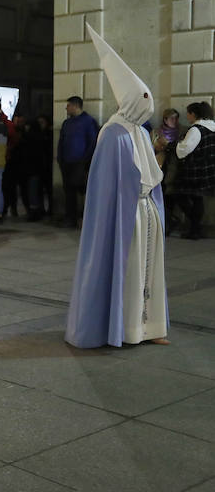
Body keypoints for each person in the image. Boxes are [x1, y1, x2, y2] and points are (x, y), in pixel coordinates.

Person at [66, 25, 168, 348]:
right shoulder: (113, 133)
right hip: (127, 218)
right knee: (130, 273)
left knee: (147, 275)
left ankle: (147, 328)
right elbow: (104, 189)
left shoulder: (137, 130)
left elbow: (150, 173)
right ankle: (124, 329)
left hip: (144, 213)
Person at [172, 102, 215, 240]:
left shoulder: (196, 129)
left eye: (188, 113)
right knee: (198, 199)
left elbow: (184, 150)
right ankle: (196, 229)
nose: (187, 116)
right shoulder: (212, 127)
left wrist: (174, 145)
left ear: (194, 114)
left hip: (195, 170)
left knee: (180, 195)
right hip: (208, 169)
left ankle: (195, 228)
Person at [58, 95, 99, 227]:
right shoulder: (67, 123)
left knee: (82, 190)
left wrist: (85, 160)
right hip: (66, 162)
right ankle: (70, 217)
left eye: (68, 105)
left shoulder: (88, 122)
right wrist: (60, 158)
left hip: (80, 162)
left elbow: (92, 142)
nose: (66, 108)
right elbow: (61, 141)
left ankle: (84, 218)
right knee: (68, 190)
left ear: (76, 106)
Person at [152, 108, 182, 233]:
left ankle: (172, 222)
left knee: (173, 197)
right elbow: (153, 147)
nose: (174, 121)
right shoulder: (156, 131)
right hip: (161, 165)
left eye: (176, 118)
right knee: (163, 196)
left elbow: (181, 148)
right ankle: (166, 224)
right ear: (165, 119)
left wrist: (167, 145)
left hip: (176, 167)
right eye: (171, 118)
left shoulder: (181, 131)